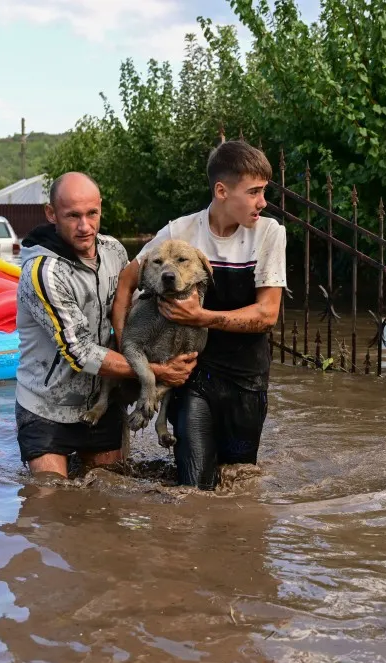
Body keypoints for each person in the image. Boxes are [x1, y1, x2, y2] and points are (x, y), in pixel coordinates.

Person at [113, 141, 286, 490]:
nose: (262, 202)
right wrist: (130, 354)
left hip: (247, 379)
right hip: (194, 376)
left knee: (238, 484)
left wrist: (200, 317)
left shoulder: (270, 233)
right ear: (222, 191)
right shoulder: (180, 232)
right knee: (194, 489)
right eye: (254, 192)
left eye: (263, 192)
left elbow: (267, 315)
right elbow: (125, 283)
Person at [15, 172, 197, 478]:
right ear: (51, 214)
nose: (85, 226)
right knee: (46, 503)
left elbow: (137, 305)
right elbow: (80, 353)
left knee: (109, 498)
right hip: (47, 408)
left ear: (101, 208)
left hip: (105, 399)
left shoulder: (113, 250)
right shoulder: (43, 273)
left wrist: (190, 312)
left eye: (91, 214)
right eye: (72, 216)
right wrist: (158, 372)